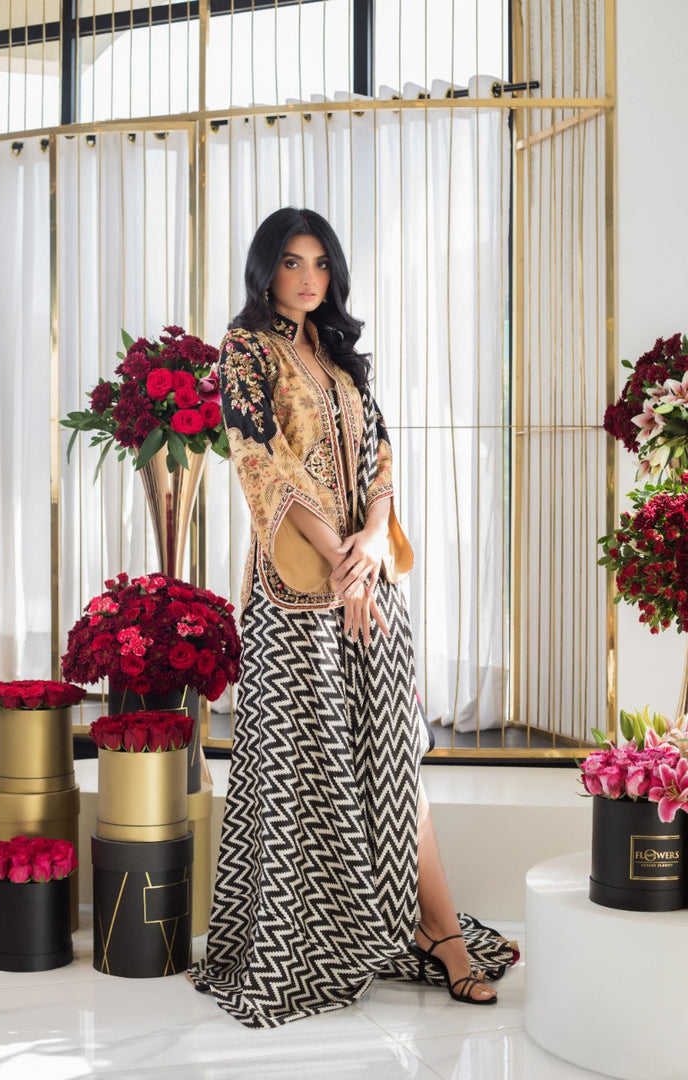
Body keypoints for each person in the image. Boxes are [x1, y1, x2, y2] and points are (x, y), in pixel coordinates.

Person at [187, 207, 507, 1028]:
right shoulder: (244, 351)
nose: (308, 278)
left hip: (369, 584)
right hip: (296, 599)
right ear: (265, 269)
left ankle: (437, 932)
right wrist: (340, 557)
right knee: (310, 771)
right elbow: (262, 463)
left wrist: (370, 540)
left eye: (321, 263)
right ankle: (321, 945)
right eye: (292, 262)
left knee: (394, 757)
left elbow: (382, 455)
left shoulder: (337, 355)